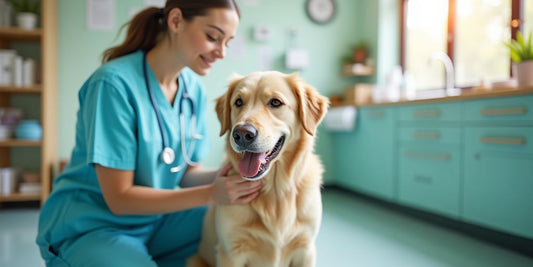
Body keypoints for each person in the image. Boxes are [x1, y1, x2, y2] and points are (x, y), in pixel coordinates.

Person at [36, 1, 263, 266]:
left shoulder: (192, 90)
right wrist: (212, 193)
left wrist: (236, 174)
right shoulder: (112, 85)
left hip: (157, 220)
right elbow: (119, 199)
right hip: (94, 224)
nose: (221, 53)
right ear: (175, 21)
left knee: (239, 229)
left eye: (228, 42)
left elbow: (188, 173)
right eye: (213, 37)